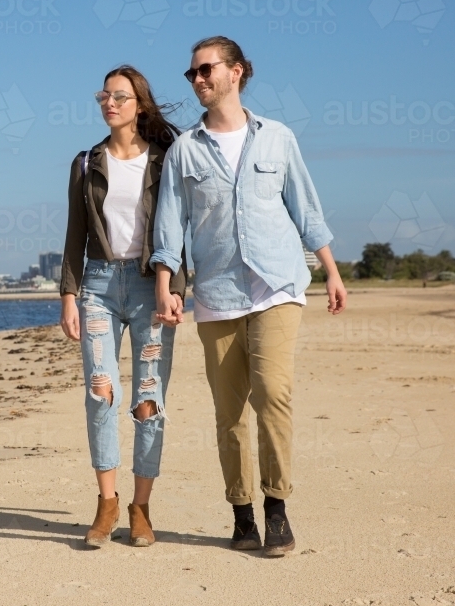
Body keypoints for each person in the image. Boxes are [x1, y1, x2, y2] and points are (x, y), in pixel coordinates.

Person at [150, 36, 347, 557]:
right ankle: (242, 515)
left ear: (236, 72)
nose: (196, 79)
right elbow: (170, 227)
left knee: (273, 394)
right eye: (191, 73)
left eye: (205, 70)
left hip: (277, 286)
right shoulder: (184, 150)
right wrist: (167, 287)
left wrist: (330, 270)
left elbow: (306, 207)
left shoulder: (277, 138)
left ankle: (277, 508)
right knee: (229, 412)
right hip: (216, 294)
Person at [59, 65, 187, 548]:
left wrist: (173, 285)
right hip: (97, 284)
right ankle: (107, 504)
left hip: (151, 284)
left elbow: (177, 228)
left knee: (148, 401)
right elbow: (74, 233)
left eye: (119, 96)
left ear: (139, 104)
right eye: (104, 96)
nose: (109, 103)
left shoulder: (164, 159)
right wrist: (69, 295)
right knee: (101, 393)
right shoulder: (85, 162)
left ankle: (141, 507)